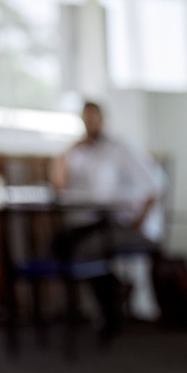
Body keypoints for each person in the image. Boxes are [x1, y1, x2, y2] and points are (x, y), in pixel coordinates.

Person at [50, 101, 164, 335]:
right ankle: (115, 290)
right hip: (97, 221)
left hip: (128, 223)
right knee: (60, 244)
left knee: (86, 249)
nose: (90, 123)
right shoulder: (81, 152)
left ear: (102, 119)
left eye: (94, 118)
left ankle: (111, 308)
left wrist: (139, 221)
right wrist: (68, 151)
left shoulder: (120, 148)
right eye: (85, 119)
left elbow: (156, 185)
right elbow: (59, 185)